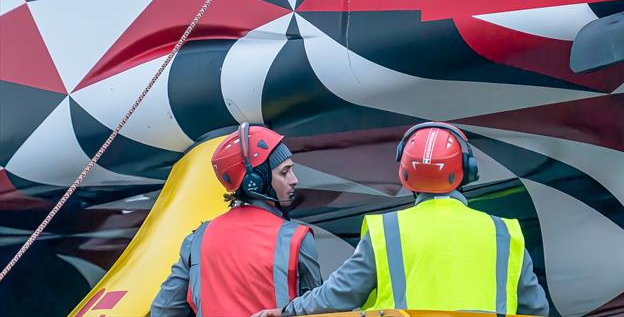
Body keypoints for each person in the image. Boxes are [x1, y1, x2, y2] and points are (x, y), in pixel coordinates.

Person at [253, 122, 549, 317]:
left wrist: (288, 311)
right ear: (467, 171)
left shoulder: (388, 231)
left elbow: (338, 295)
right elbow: (535, 310)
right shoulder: (503, 233)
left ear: (405, 175)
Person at [152, 123, 322, 317]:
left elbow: (164, 310)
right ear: (255, 182)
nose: (294, 179)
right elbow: (320, 310)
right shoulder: (296, 238)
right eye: (284, 172)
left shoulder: (196, 240)